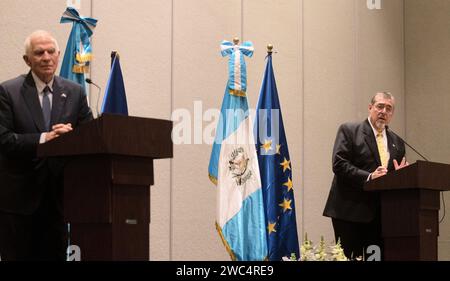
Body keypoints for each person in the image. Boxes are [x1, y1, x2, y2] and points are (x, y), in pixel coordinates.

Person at [0, 30, 93, 260]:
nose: (46, 57)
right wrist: (44, 139)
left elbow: (91, 137)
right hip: (18, 205)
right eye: (39, 52)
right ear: (27, 60)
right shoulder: (8, 92)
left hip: (58, 203)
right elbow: (4, 140)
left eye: (51, 51)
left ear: (59, 55)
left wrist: (71, 137)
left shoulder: (75, 92)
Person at [323, 92, 408, 260]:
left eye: (388, 108)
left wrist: (400, 177)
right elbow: (339, 164)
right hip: (349, 212)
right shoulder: (349, 130)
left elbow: (391, 176)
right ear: (370, 108)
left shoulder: (397, 142)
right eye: (380, 106)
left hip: (380, 216)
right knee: (350, 258)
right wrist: (369, 177)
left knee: (374, 258)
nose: (383, 111)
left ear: (392, 114)